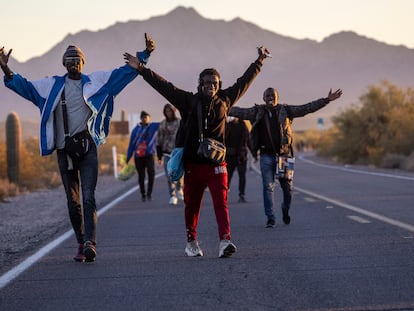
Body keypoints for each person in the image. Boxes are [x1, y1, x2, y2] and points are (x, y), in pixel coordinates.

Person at [0, 34, 155, 263]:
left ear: (84, 63)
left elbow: (122, 74)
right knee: (72, 201)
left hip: (88, 148)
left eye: (78, 60)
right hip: (64, 151)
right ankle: (81, 242)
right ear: (64, 63)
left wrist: (145, 55)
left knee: (89, 196)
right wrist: (6, 69)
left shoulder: (96, 82)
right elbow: (26, 87)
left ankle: (90, 243)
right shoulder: (51, 86)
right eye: (70, 60)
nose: (74, 63)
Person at [123, 46, 270, 258]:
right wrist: (142, 69)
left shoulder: (226, 100)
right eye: (207, 82)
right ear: (200, 84)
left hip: (217, 164)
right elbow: (164, 86)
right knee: (192, 205)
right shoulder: (188, 102)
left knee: (221, 201)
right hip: (193, 164)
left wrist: (259, 61)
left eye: (214, 83)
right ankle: (191, 241)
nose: (210, 85)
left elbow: (244, 82)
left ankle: (225, 240)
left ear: (219, 85)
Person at [229, 87, 342, 228]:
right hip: (266, 156)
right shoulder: (257, 112)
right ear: (263, 98)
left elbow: (306, 108)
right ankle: (270, 218)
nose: (270, 97)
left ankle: (285, 209)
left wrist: (326, 100)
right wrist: (220, 105)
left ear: (277, 97)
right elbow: (239, 112)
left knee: (287, 190)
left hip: (284, 156)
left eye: (273, 95)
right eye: (268, 95)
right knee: (268, 187)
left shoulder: (286, 110)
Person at [126, 110, 160, 202]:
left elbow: (165, 123)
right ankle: (143, 194)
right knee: (141, 176)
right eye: (144, 117)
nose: (145, 119)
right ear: (141, 118)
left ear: (149, 118)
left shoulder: (153, 126)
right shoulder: (136, 130)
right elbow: (131, 144)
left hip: (149, 155)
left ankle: (149, 193)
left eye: (147, 117)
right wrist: (128, 157)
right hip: (138, 156)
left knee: (151, 172)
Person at [156, 103, 184, 205]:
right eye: (166, 111)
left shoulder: (179, 123)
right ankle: (172, 195)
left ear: (173, 111)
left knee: (179, 173)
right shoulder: (163, 124)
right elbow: (159, 140)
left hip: (178, 152)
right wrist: (159, 156)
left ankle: (179, 188)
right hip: (167, 153)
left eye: (170, 111)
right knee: (169, 175)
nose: (168, 113)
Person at [225, 117, 250, 203]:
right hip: (229, 155)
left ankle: (241, 195)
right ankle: (225, 194)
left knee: (242, 175)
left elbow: (247, 139)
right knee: (228, 176)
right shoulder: (227, 125)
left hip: (241, 156)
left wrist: (254, 152)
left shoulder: (243, 126)